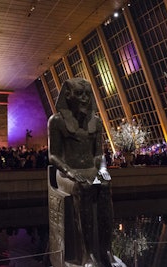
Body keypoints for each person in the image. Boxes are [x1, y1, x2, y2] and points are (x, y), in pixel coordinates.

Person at [48, 78, 116, 266]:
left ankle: (106, 250)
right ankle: (87, 254)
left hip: (89, 170)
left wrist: (102, 170)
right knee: (83, 188)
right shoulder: (56, 121)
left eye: (87, 94)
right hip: (65, 173)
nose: (85, 98)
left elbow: (99, 154)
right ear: (68, 96)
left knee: (105, 186)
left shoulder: (95, 122)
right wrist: (69, 171)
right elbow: (53, 156)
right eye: (79, 94)